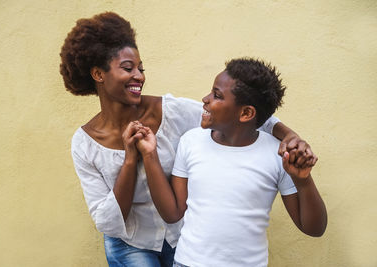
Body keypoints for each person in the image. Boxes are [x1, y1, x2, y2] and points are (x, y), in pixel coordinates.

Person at [60, 11, 318, 267]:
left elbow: (251, 116)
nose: (139, 75)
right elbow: (108, 222)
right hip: (131, 244)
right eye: (128, 68)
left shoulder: (173, 112)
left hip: (179, 238)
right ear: (98, 74)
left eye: (141, 68)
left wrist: (291, 137)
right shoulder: (85, 143)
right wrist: (130, 161)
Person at [136, 58, 327, 267]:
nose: (205, 99)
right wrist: (149, 156)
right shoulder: (191, 141)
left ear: (246, 113)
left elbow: (314, 228)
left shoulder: (278, 154)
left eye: (217, 95)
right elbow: (172, 213)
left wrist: (304, 181)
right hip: (188, 262)